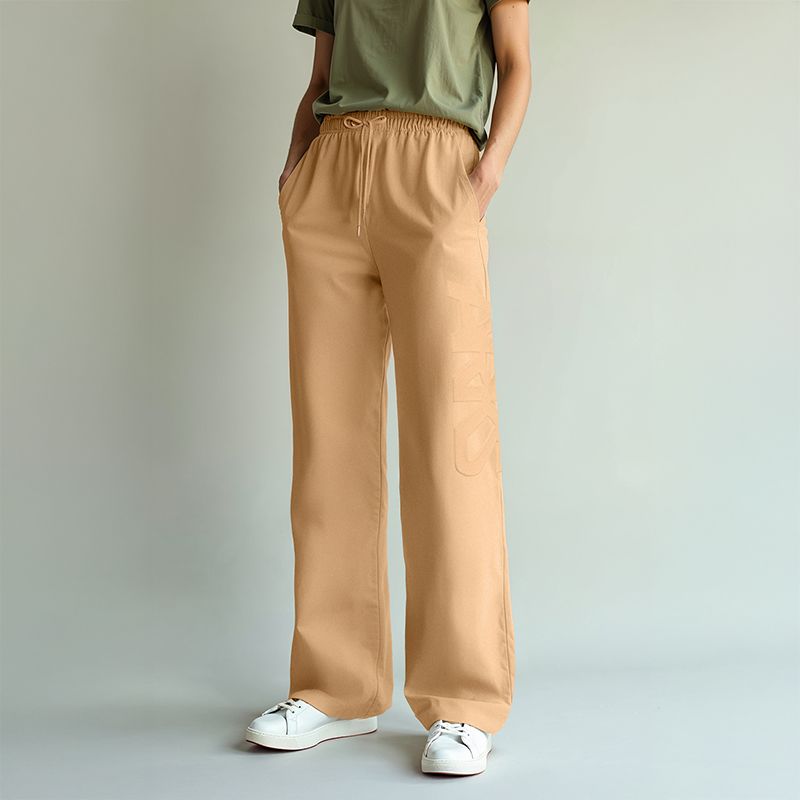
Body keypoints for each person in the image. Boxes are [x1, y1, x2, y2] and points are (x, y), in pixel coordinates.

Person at [246, 0, 531, 776]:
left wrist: (486, 171)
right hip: (333, 172)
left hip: (436, 168)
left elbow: (516, 63)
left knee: (451, 443)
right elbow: (322, 75)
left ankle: (465, 698)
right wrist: (297, 167)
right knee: (329, 441)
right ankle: (337, 688)